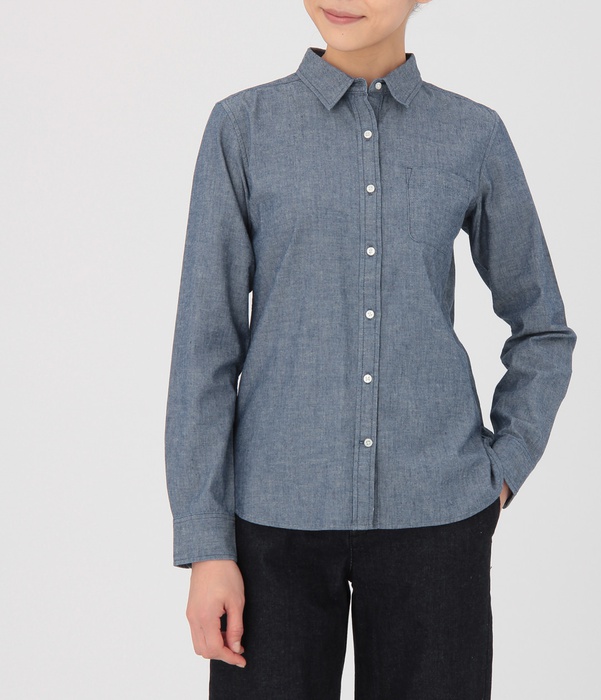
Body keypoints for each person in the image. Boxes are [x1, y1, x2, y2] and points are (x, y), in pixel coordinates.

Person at [164, 1, 577, 698]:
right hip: (272, 526)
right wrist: (206, 545)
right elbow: (204, 351)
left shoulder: (472, 134)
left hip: (436, 520)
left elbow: (542, 327)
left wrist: (501, 471)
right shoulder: (243, 128)